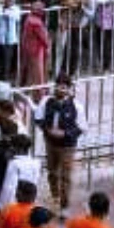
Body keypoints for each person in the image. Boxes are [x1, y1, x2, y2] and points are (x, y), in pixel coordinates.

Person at [38, 75, 83, 210]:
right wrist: (47, 129)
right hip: (50, 143)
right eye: (58, 86)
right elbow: (38, 119)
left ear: (69, 89)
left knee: (66, 176)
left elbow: (81, 127)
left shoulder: (76, 106)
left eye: (64, 87)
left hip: (67, 146)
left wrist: (65, 134)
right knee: (52, 172)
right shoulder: (46, 101)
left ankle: (65, 205)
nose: (60, 89)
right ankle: (55, 197)